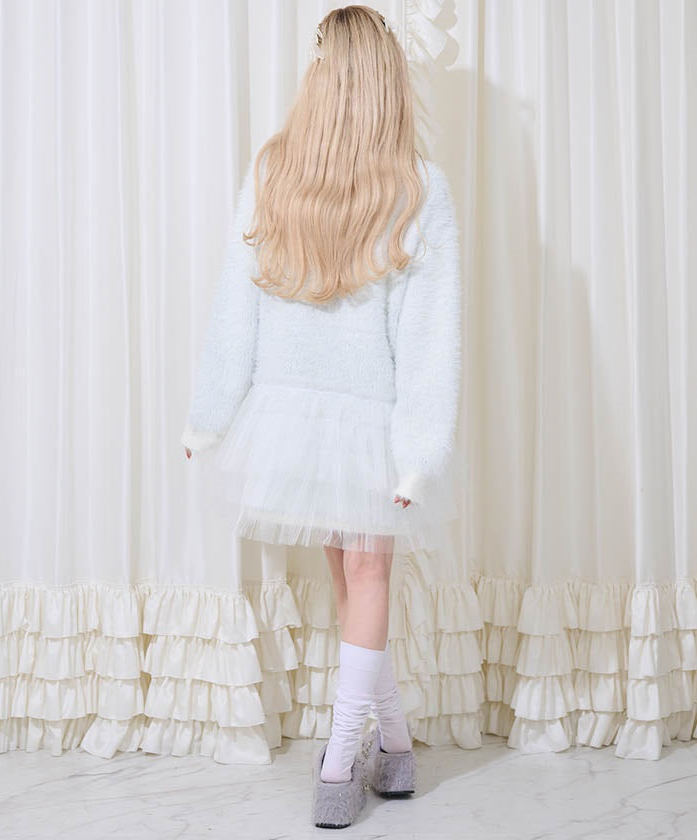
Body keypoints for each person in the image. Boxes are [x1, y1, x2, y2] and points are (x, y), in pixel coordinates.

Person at [181, 5, 462, 829]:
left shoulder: (281, 171)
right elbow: (429, 338)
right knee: (362, 580)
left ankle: (355, 758)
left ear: (323, 76)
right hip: (361, 420)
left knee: (353, 581)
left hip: (300, 417)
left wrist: (211, 416)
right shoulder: (414, 185)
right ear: (388, 83)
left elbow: (236, 307)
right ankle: (373, 756)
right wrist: (418, 452)